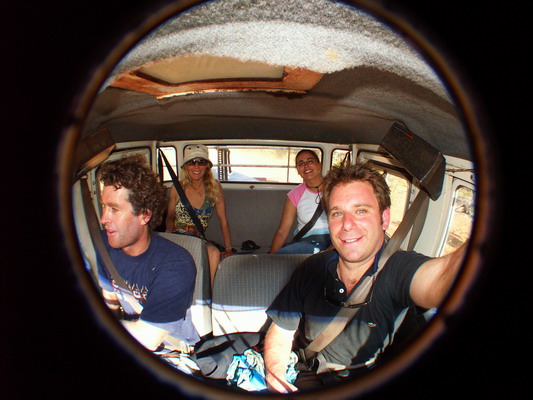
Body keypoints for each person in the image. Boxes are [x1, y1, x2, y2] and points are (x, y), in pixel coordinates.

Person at [264, 163, 467, 393]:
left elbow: (445, 277)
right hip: (304, 371)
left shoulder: (399, 269)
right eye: (337, 213)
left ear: (384, 218)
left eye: (361, 211)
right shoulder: (312, 267)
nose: (347, 225)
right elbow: (282, 330)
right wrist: (276, 378)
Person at [97, 154, 200, 352]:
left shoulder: (176, 264)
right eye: (104, 207)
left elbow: (148, 339)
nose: (103, 219)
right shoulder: (103, 244)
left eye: (114, 209)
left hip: (172, 350)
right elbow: (110, 301)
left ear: (145, 215)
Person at [165, 144, 233, 285]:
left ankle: (209, 293)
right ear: (186, 166)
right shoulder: (177, 187)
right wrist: (168, 236)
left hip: (197, 238)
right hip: (178, 236)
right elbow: (170, 217)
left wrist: (228, 248)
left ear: (207, 166)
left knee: (214, 253)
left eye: (201, 162)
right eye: (192, 162)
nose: (196, 166)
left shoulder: (214, 187)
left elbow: (223, 219)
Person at [269, 149, 331, 254]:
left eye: (310, 161)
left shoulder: (335, 188)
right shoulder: (295, 194)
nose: (306, 166)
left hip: (335, 240)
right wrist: (271, 257)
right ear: (298, 170)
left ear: (319, 165)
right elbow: (283, 231)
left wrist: (328, 250)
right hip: (308, 243)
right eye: (301, 163)